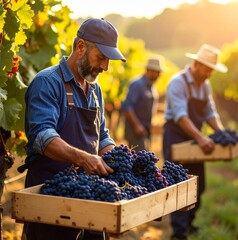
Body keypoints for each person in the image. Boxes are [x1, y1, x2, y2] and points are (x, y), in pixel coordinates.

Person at [18, 18, 126, 240]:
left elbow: (102, 135)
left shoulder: (95, 90)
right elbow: (42, 137)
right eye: (101, 58)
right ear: (80, 47)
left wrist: (121, 159)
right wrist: (85, 158)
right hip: (51, 197)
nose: (105, 67)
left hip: (89, 194)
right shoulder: (47, 83)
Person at [162, 44, 228, 240]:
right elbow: (181, 116)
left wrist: (223, 133)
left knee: (199, 185)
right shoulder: (178, 83)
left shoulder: (204, 85)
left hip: (194, 139)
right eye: (207, 69)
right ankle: (179, 232)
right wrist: (201, 137)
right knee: (179, 185)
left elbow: (209, 112)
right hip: (175, 136)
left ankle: (189, 223)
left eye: (211, 70)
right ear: (197, 64)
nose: (209, 74)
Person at [122, 56, 165, 151]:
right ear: (150, 70)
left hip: (144, 130)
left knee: (143, 159)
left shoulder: (151, 87)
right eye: (158, 72)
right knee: (139, 160)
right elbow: (127, 106)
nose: (159, 75)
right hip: (135, 130)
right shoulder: (137, 84)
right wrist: (137, 125)